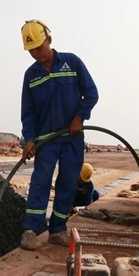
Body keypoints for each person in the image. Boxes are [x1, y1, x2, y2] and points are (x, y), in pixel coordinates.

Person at [19, 19, 99, 250]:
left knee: (67, 185)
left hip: (71, 139)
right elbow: (29, 111)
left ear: (49, 40)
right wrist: (29, 139)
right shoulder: (31, 75)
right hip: (47, 141)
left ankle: (57, 229)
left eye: (39, 48)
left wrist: (79, 117)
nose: (35, 54)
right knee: (40, 182)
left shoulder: (72, 63)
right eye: (31, 50)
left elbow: (91, 93)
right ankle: (31, 229)